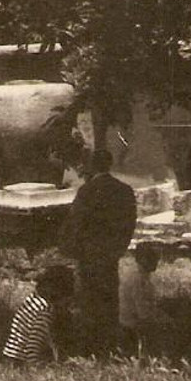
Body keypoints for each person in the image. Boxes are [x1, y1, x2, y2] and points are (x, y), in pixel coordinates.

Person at [63, 148, 138, 356]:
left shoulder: (87, 191)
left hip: (88, 256)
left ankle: (91, 350)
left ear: (92, 166)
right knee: (109, 299)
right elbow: (129, 224)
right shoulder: (124, 190)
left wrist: (74, 251)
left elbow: (75, 224)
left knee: (89, 301)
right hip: (110, 256)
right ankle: (109, 346)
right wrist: (118, 249)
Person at [0, 264, 75, 364]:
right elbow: (33, 344)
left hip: (10, 356)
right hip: (19, 361)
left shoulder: (33, 299)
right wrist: (36, 365)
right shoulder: (44, 310)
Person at [119, 244, 175, 355]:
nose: (156, 262)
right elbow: (144, 313)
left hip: (129, 323)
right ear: (142, 259)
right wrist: (165, 320)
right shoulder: (139, 280)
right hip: (132, 327)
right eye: (152, 258)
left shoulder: (136, 274)